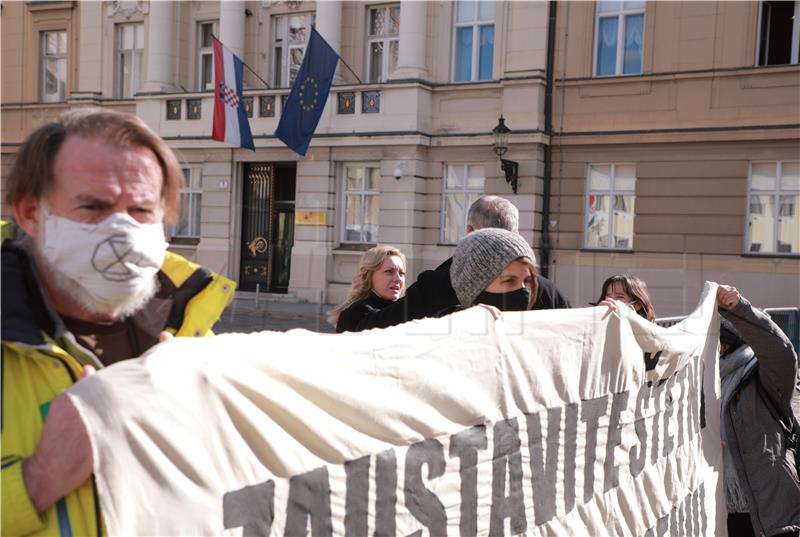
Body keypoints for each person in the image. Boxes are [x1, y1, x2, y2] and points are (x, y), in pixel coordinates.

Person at [1, 108, 235, 536]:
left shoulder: (189, 334)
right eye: (94, 206)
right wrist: (38, 478)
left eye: (142, 209)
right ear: (31, 214)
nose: (123, 230)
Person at [346, 195, 569, 331]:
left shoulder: (437, 285)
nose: (522, 290)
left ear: (470, 231)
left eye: (524, 281)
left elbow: (372, 330)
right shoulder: (547, 291)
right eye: (508, 280)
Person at [716, 284, 800, 537]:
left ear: (726, 343)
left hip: (772, 513)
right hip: (721, 512)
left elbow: (781, 352)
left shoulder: (761, 374)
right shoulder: (701, 382)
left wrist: (739, 309)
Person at [447, 227, 538, 313]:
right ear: (474, 289)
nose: (523, 288)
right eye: (509, 280)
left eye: (527, 280)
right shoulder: (446, 327)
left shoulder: (536, 326)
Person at [330, 245, 407, 333]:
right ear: (369, 276)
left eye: (401, 273)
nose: (398, 279)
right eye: (389, 271)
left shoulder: (400, 308)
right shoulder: (357, 313)